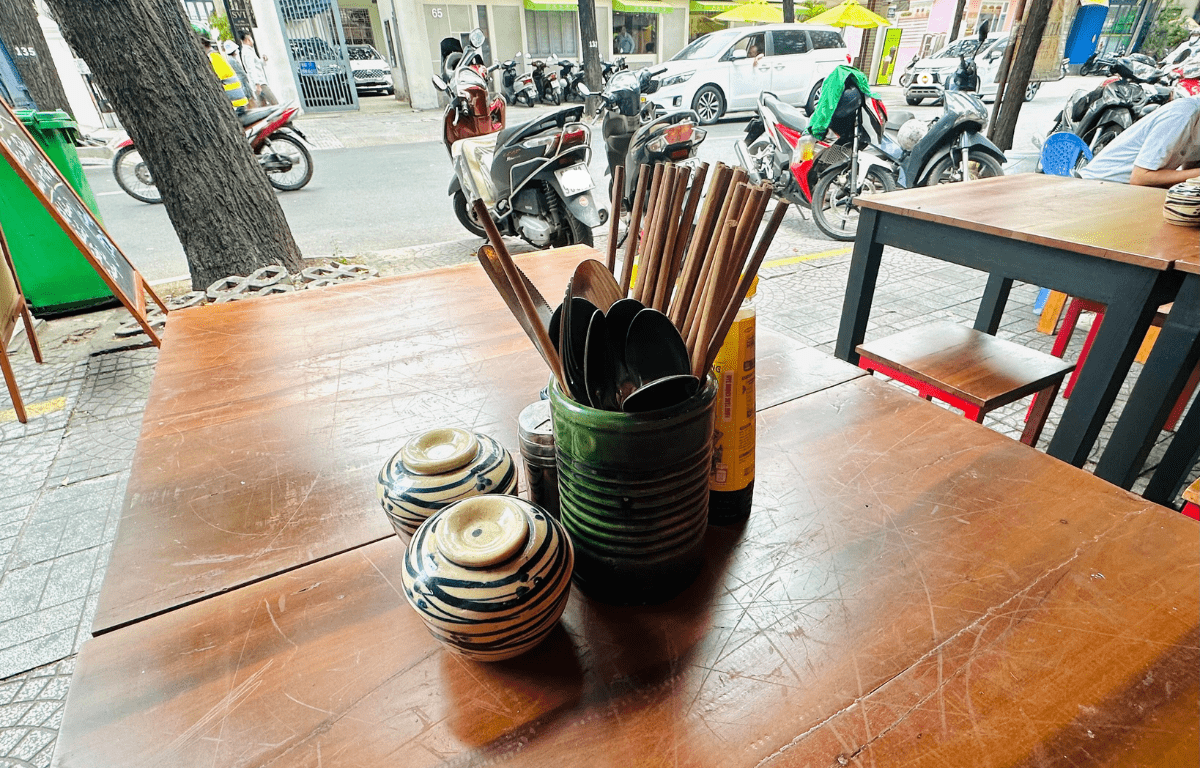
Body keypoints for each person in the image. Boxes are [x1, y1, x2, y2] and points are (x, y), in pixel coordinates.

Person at [1079, 95, 1200, 188]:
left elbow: (1188, 173)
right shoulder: (1181, 114)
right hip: (1100, 186)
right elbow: (1140, 178)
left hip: (1134, 191)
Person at [200, 34, 248, 114]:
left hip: (234, 104)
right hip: (237, 102)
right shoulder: (216, 56)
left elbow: (216, 81)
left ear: (203, 44)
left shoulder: (213, 57)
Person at [240, 32, 277, 107]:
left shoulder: (249, 51)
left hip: (258, 82)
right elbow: (251, 69)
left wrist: (263, 60)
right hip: (260, 83)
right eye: (251, 39)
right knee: (274, 103)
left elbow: (257, 64)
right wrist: (257, 84)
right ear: (247, 40)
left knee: (263, 106)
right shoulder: (247, 52)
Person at [222, 40, 253, 107]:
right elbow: (240, 74)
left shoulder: (231, 59)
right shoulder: (232, 60)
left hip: (242, 83)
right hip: (242, 83)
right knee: (250, 102)